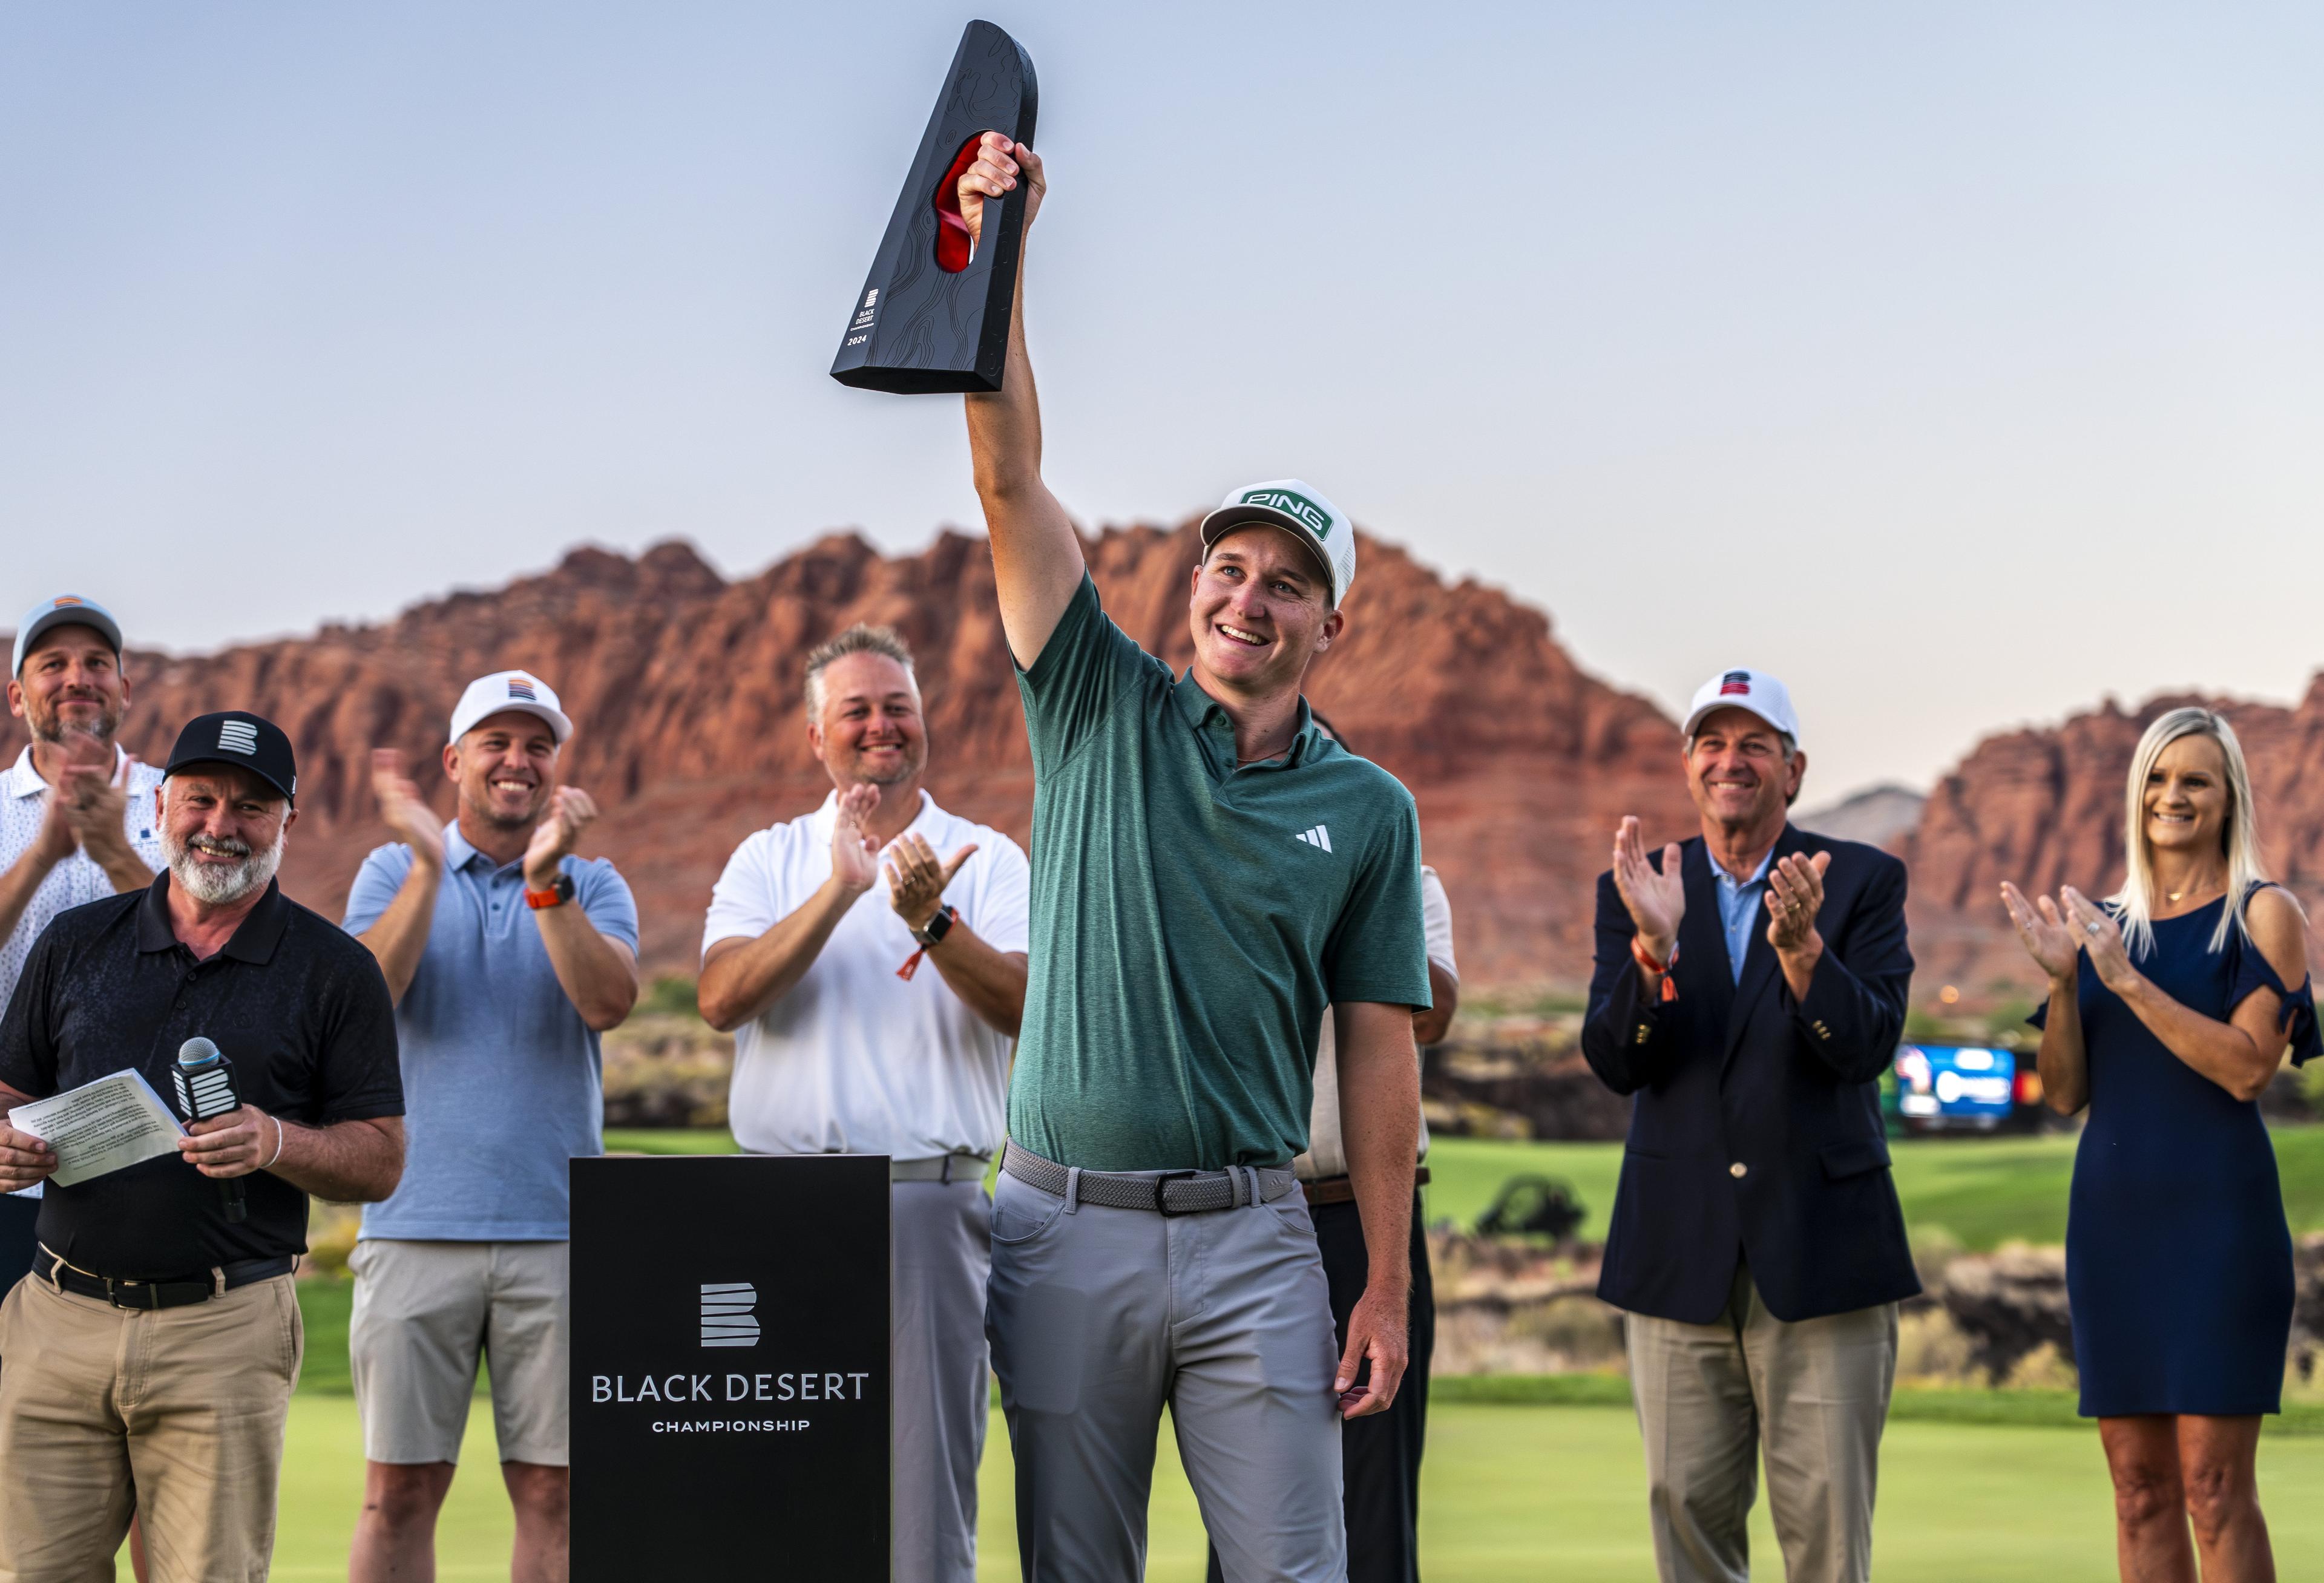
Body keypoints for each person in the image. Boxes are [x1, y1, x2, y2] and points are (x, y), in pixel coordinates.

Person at [954, 134, 1434, 1583]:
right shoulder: (1097, 695)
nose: (1248, 595)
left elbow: (1376, 1050)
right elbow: (1006, 475)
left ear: (1327, 624)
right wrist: (1002, 241)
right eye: (1228, 568)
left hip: (1254, 1240)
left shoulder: (1367, 807)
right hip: (1060, 1224)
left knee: (1295, 1569)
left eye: (1285, 582)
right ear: (1192, 586)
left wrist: (1390, 1284)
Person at [0, 710, 406, 1583]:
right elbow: (9, 1093)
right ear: (161, 805)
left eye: (252, 807)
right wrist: (5, 1143)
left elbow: (380, 1158)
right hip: (57, 1321)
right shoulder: (77, 944)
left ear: (288, 821)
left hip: (225, 1331)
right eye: (202, 800)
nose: (222, 826)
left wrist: (276, 1141)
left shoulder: (334, 970)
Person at [695, 623, 1030, 1583]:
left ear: (925, 723)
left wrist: (933, 918)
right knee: (785, 1484)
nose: (882, 726)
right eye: (858, 711)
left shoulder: (988, 858)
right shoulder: (771, 857)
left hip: (927, 1205)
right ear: (817, 737)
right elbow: (721, 1000)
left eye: (900, 707)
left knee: (924, 1502)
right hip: (781, 1207)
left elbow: (1023, 1006)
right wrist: (842, 891)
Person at [1582, 669, 1916, 1583]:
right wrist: (1651, 954)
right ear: (1691, 768)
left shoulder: (1861, 883)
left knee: (1828, 1533)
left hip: (1822, 1252)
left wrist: (1806, 952)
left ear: (1794, 769)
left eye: (1755, 744)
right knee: (1685, 1517)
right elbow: (1617, 1062)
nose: (1732, 761)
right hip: (1676, 1251)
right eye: (1713, 744)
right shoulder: (1642, 886)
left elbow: (1869, 1047)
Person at [2001, 706, 2313, 1582]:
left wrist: (2125, 981)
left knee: (2213, 1490)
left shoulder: (2264, 914)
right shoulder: (2099, 927)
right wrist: (2066, 983)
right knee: (2138, 1490)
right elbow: (2064, 1094)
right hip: (2113, 1231)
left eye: (2195, 780)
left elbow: (2249, 1069)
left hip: (2219, 1230)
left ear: (2228, 800)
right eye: (2158, 777)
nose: (2172, 795)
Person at [341, 670, 640, 1583]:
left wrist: (548, 885)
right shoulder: (393, 871)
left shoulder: (594, 879)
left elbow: (606, 1003)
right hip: (413, 1224)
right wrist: (431, 867)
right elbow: (364, 999)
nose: (518, 762)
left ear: (556, 765)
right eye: (497, 744)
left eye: (537, 746)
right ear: (454, 761)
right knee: (398, 1491)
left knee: (555, 1494)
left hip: (556, 1234)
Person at [1205, 712, 1460, 1583]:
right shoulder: (1229, 885)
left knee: (1374, 1478)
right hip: (1251, 1211)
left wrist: (1334, 903)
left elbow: (1435, 1011)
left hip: (1366, 1212)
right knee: (1243, 1471)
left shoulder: (1406, 880)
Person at [0, 595, 165, 1282]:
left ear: (124, 689)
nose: (78, 677)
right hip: (12, 1168)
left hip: (153, 1163)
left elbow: (211, 945)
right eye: (53, 664)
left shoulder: (177, 800)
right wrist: (42, 853)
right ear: (18, 696)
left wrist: (114, 851)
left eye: (97, 662)